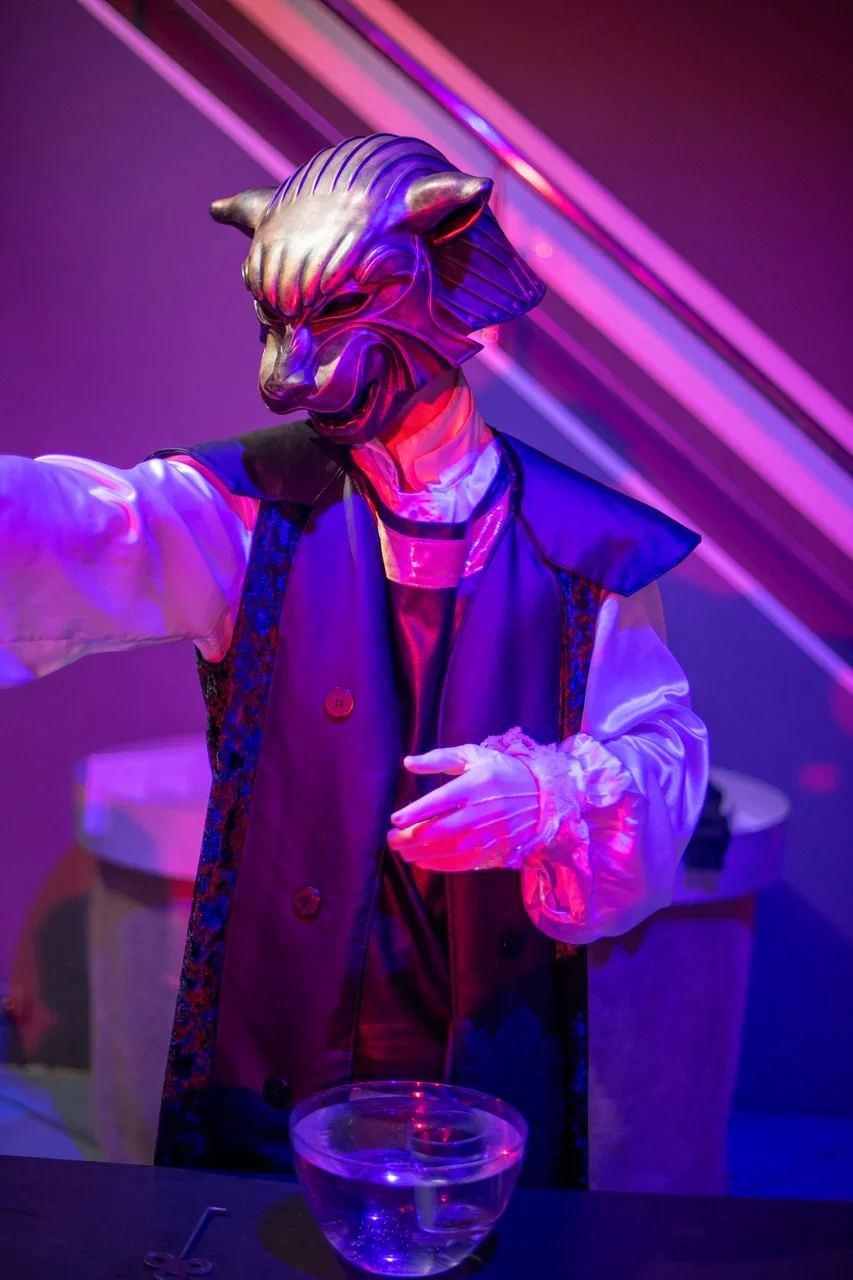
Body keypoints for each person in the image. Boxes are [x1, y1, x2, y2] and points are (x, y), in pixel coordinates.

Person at [0, 133, 708, 1187]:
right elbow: (86, 527)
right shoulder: (247, 507)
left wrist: (554, 792)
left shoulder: (582, 544)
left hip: (482, 1056)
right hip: (278, 1053)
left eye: (332, 314)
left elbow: (661, 754)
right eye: (275, 323)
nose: (288, 374)